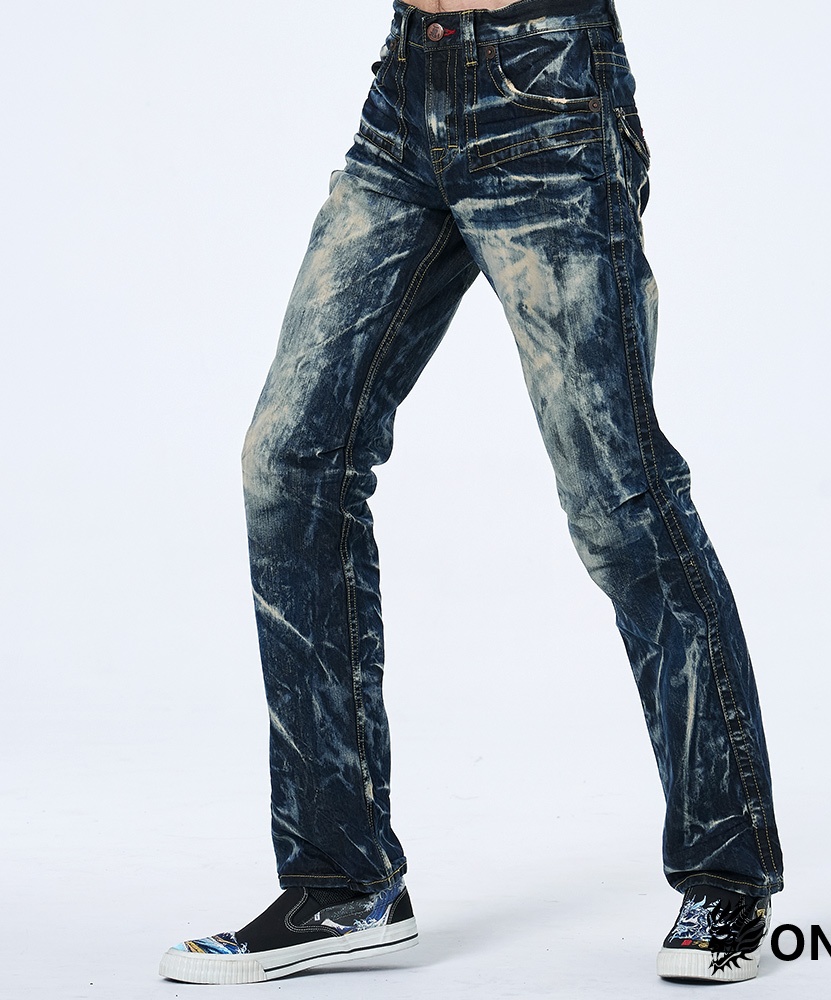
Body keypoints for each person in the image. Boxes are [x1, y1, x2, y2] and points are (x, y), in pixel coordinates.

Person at [158, 0, 783, 985]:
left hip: (546, 93)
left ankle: (727, 872)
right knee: (289, 463)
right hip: (407, 96)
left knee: (617, 497)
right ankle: (342, 884)